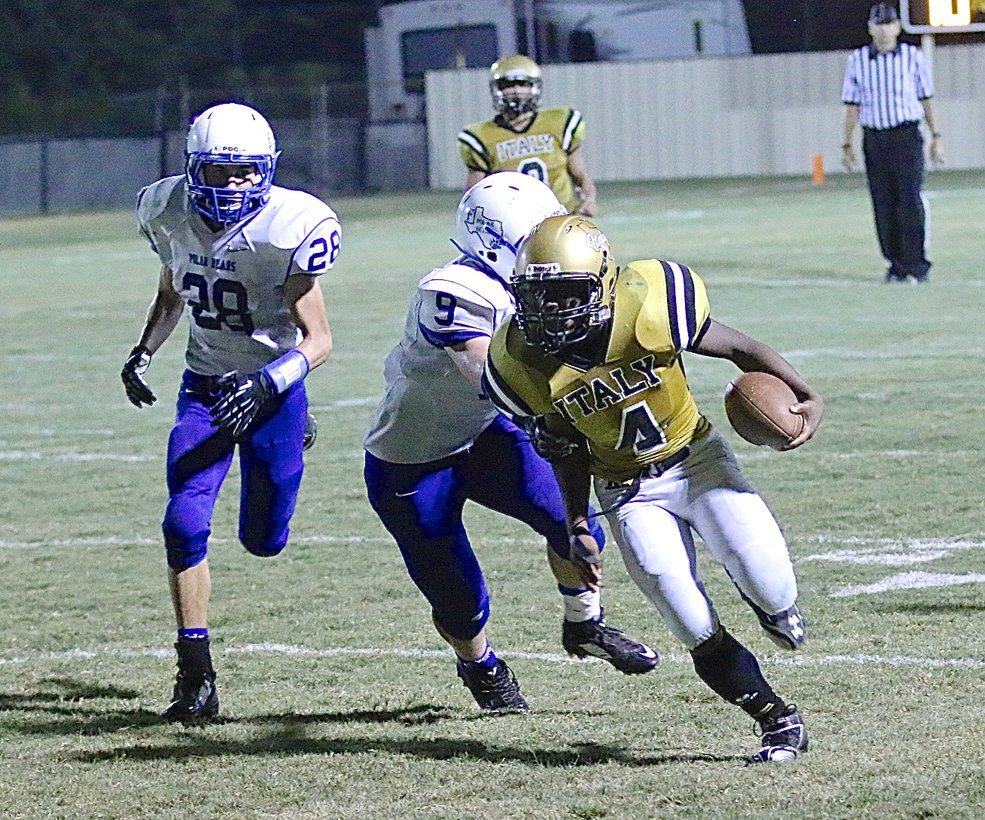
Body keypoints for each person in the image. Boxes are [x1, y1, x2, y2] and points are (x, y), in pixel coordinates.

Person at [483, 215, 824, 763]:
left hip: (698, 462)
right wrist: (575, 521)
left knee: (772, 587)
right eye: (538, 296)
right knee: (687, 618)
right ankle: (777, 720)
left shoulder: (651, 303)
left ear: (604, 283)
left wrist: (804, 393)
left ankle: (772, 607)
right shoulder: (518, 361)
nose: (550, 311)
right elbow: (565, 444)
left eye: (566, 294)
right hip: (625, 490)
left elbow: (739, 347)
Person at [363, 173, 657, 713]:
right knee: (460, 598)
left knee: (577, 526)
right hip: (413, 460)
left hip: (483, 436)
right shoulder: (452, 292)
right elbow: (494, 382)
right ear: (492, 244)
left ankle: (584, 625)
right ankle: (481, 666)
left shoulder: (535, 282)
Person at [120, 102, 341, 723]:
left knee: (263, 540)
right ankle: (195, 673)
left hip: (273, 390)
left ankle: (297, 431)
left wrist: (272, 385)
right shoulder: (167, 212)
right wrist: (143, 352)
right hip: (207, 388)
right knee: (182, 523)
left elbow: (319, 340)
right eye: (223, 172)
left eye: (249, 172)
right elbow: (173, 292)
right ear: (196, 171)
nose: (238, 184)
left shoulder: (289, 226)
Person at [840, 3, 943, 284]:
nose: (884, 30)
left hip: (906, 136)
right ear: (871, 28)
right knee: (883, 203)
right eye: (879, 24)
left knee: (909, 200)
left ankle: (917, 263)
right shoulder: (858, 60)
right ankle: (896, 264)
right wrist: (846, 145)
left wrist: (936, 136)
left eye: (889, 24)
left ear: (898, 27)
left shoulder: (912, 57)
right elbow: (852, 105)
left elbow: (926, 98)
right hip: (875, 138)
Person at [457, 55, 599, 217]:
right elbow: (473, 195)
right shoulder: (481, 136)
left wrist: (589, 198)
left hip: (561, 217)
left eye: (523, 84)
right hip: (513, 223)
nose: (516, 91)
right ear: (496, 89)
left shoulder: (559, 123)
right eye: (508, 85)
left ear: (535, 87)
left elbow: (580, 175)